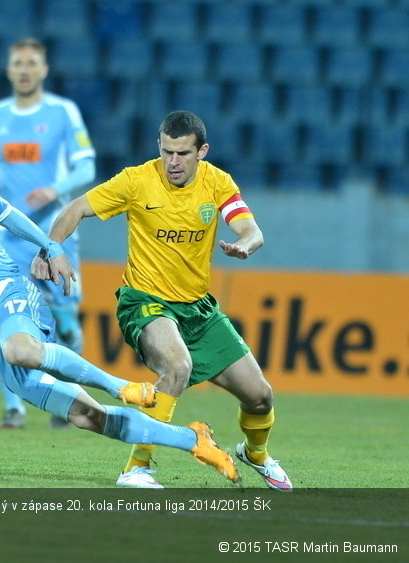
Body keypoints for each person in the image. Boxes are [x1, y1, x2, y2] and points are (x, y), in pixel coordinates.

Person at [0, 132, 239, 483]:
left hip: (9, 292)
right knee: (86, 416)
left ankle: (124, 386)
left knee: (21, 348)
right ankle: (193, 441)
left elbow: (8, 215)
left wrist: (52, 246)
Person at [34, 110, 292, 492]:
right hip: (145, 301)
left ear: (202, 151)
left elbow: (251, 228)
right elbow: (76, 209)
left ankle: (255, 454)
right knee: (176, 367)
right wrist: (49, 249)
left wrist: (244, 245)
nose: (173, 162)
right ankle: (135, 468)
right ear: (159, 145)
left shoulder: (218, 183)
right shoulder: (136, 180)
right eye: (167, 151)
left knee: (260, 396)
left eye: (183, 154)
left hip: (198, 310)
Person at [0, 38, 96, 429]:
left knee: (66, 326)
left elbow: (86, 168)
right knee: (4, 322)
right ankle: (14, 407)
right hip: (7, 237)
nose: (24, 69)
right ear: (8, 70)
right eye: (17, 63)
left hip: (54, 236)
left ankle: (67, 396)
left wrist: (56, 187)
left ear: (44, 70)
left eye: (32, 63)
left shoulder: (63, 112)